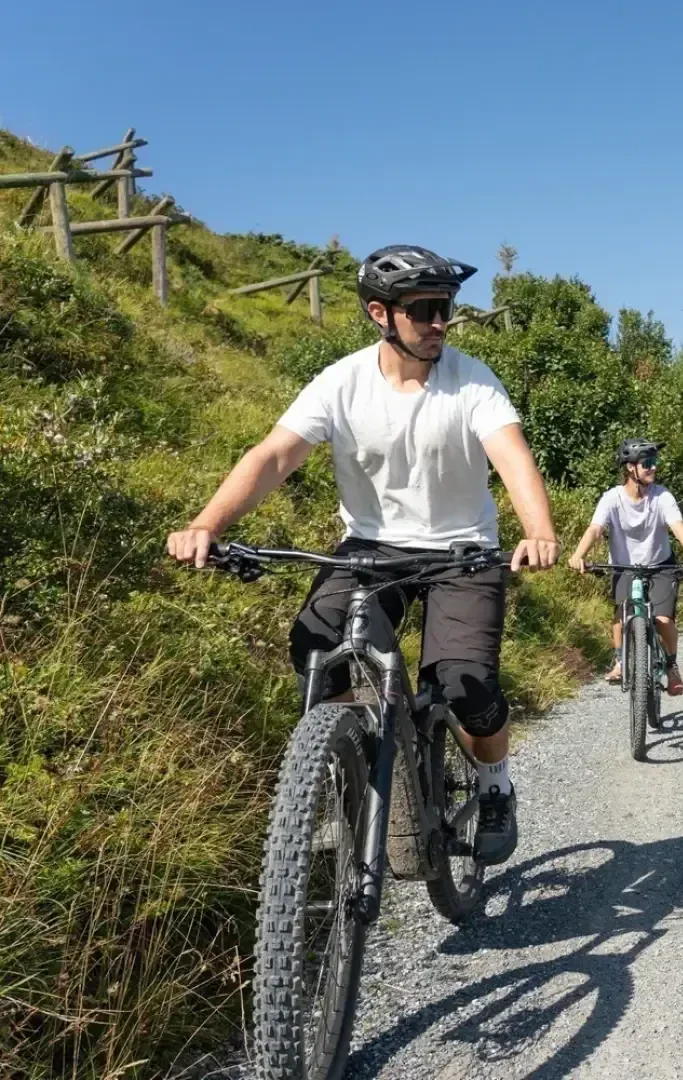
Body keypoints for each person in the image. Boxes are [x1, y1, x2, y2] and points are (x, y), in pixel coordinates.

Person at [166, 245, 560, 867]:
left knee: (465, 684)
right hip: (371, 548)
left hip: (462, 549)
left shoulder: (472, 380)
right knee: (316, 643)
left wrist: (538, 530)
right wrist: (207, 524)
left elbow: (512, 457)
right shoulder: (341, 382)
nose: (439, 323)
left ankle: (494, 787)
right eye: (424, 310)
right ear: (381, 313)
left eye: (445, 309)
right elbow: (274, 455)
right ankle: (355, 765)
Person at [568, 438, 683, 695]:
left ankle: (672, 665)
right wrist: (578, 555)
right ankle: (620, 661)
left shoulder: (662, 496)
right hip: (624, 567)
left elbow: (677, 527)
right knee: (621, 616)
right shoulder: (612, 498)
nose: (654, 467)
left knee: (663, 620)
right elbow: (595, 529)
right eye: (648, 463)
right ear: (631, 468)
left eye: (655, 462)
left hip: (660, 566)